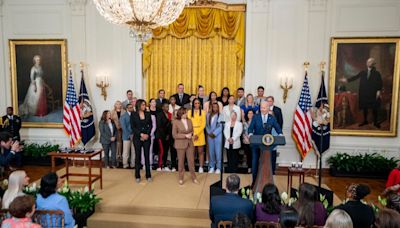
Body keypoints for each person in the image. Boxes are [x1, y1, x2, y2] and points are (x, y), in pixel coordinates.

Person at [340, 57, 383, 128]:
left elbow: (380, 83)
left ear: (373, 64)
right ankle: (365, 121)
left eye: (370, 62)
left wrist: (378, 91)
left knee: (374, 107)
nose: (368, 63)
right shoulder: (363, 72)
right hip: (364, 92)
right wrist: (346, 80)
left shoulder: (377, 73)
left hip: (373, 93)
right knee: (364, 107)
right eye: (368, 62)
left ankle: (375, 122)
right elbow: (355, 77)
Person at [248, 101, 283, 183]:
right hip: (256, 144)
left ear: (268, 108)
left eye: (264, 108)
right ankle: (254, 182)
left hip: (267, 145)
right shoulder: (255, 117)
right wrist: (250, 134)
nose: (262, 109)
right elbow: (250, 128)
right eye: (261, 108)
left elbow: (278, 128)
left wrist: (280, 134)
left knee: (266, 163)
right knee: (255, 162)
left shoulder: (272, 118)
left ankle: (267, 182)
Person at [172, 107, 198, 185]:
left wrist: (193, 135)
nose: (186, 114)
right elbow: (174, 135)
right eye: (185, 112)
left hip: (190, 143)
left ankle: (194, 177)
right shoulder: (176, 122)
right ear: (181, 113)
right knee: (181, 162)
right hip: (180, 144)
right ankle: (181, 178)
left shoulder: (189, 120)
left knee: (191, 161)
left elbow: (192, 131)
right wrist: (185, 136)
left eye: (187, 112)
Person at [131, 99, 153, 182]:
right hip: (137, 138)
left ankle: (148, 175)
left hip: (147, 138)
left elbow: (150, 125)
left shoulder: (148, 113)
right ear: (139, 105)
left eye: (145, 105)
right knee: (138, 156)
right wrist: (141, 134)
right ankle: (137, 175)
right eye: (143, 105)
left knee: (147, 156)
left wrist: (147, 134)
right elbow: (133, 127)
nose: (145, 106)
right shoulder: (133, 114)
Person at [187, 98, 206, 173]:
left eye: (198, 103)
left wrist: (197, 134)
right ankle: (193, 167)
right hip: (192, 133)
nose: (197, 105)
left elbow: (203, 124)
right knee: (192, 152)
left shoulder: (203, 112)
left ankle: (201, 167)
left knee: (200, 151)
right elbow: (188, 123)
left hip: (200, 134)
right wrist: (193, 134)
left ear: (200, 104)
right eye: (195, 103)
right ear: (193, 104)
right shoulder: (189, 112)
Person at [266, 96, 283, 175]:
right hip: (265, 139)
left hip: (274, 135)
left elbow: (280, 122)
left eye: (270, 101)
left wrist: (279, 133)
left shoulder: (277, 110)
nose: (269, 102)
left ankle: (272, 171)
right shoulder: (263, 110)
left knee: (273, 155)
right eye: (268, 101)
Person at [206, 102, 223, 174]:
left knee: (218, 152)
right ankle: (212, 166)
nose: (215, 108)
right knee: (211, 151)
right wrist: (209, 132)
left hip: (217, 136)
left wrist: (214, 133)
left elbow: (221, 126)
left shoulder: (221, 115)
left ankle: (218, 168)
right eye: (214, 107)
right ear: (211, 107)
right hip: (210, 136)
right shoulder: (208, 115)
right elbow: (206, 125)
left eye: (216, 107)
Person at [156, 102, 172, 171]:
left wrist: (168, 135)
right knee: (161, 151)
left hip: (168, 136)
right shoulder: (159, 115)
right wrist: (164, 136)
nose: (167, 108)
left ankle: (165, 165)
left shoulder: (169, 114)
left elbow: (170, 126)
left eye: (168, 106)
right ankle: (159, 166)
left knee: (166, 151)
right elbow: (159, 126)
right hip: (160, 135)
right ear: (162, 107)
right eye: (165, 106)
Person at [111, 100, 125, 167]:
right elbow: (111, 121)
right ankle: (117, 159)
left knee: (122, 144)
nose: (118, 105)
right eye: (117, 104)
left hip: (123, 130)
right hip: (116, 130)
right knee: (117, 144)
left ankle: (122, 159)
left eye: (119, 104)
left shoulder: (124, 111)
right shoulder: (112, 112)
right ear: (115, 105)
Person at [120, 104, 135, 169]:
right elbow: (124, 128)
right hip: (126, 136)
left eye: (132, 107)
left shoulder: (135, 115)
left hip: (134, 136)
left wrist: (134, 134)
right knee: (126, 152)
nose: (131, 108)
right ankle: (125, 164)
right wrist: (129, 135)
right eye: (130, 107)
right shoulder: (123, 116)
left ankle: (133, 164)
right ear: (127, 108)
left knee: (134, 151)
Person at [145, 98, 158, 167]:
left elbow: (155, 125)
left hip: (154, 133)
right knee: (145, 149)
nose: (154, 103)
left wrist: (151, 133)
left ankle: (152, 162)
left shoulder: (157, 112)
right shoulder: (146, 112)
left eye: (155, 102)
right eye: (152, 102)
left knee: (152, 148)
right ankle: (144, 163)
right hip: (146, 133)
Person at [242, 109, 254, 174]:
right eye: (249, 113)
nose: (250, 115)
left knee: (253, 156)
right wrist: (246, 139)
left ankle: (253, 168)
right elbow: (243, 132)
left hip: (253, 142)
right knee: (248, 155)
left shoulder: (255, 122)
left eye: (251, 113)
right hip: (246, 141)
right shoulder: (245, 123)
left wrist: (251, 139)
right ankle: (249, 168)